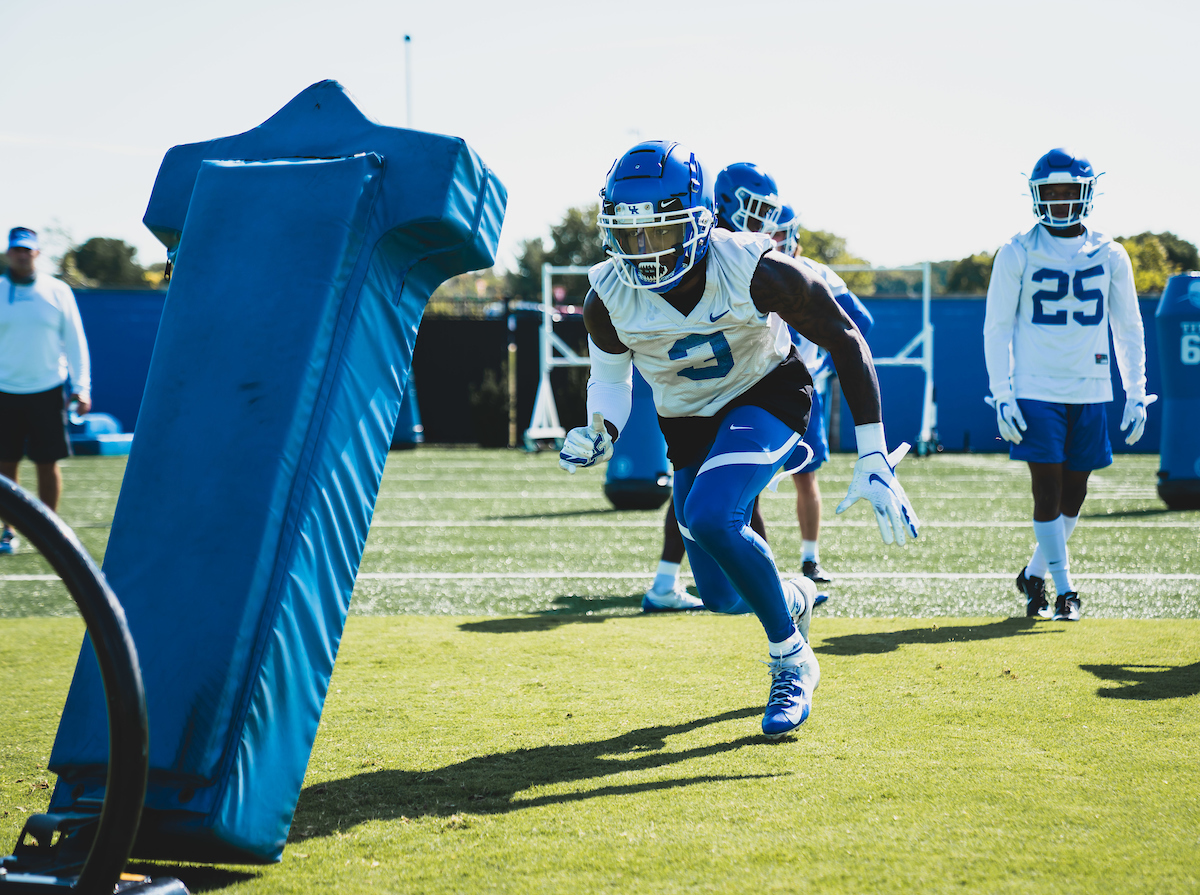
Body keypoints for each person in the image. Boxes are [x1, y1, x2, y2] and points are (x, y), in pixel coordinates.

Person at [559, 140, 919, 738]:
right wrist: (601, 431)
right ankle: (794, 596)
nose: (643, 251)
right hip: (689, 425)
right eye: (629, 234)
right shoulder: (608, 297)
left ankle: (792, 661)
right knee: (724, 595)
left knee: (709, 512)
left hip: (766, 394)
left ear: (698, 221)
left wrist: (874, 452)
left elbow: (846, 337)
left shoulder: (750, 266)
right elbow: (610, 383)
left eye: (658, 231)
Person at [640, 173, 873, 611]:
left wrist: (872, 446)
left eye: (779, 221)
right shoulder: (678, 261)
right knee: (703, 505)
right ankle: (740, 584)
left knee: (723, 499)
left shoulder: (768, 264)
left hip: (767, 392)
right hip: (697, 398)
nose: (771, 226)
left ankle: (783, 592)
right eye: (761, 209)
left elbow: (854, 329)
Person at [983, 148, 1152, 622]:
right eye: (1050, 192)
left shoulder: (1111, 252)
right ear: (1036, 195)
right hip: (1037, 386)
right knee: (1047, 489)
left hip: (1092, 386)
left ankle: (1033, 572)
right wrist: (1003, 392)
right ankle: (1064, 590)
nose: (1059, 201)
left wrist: (1136, 391)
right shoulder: (1017, 250)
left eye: (1069, 191)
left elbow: (1129, 326)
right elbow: (996, 327)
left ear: (1087, 194)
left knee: (1076, 492)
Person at [0, 227, 91, 555]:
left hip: (48, 389)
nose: (21, 255)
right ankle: (8, 530)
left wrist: (81, 388)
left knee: (46, 461)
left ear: (37, 253)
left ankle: (50, 532)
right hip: (4, 391)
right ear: (9, 253)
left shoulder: (58, 291)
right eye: (16, 250)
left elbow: (76, 341)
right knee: (5, 463)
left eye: (27, 250)